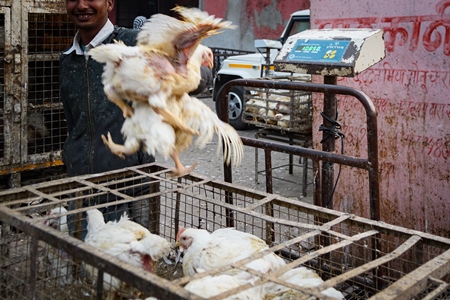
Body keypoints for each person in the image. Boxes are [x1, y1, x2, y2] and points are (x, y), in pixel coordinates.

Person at [60, 0, 212, 239]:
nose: (82, 5)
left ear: (109, 2)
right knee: (84, 261)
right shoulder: (68, 60)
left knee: (133, 263)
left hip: (130, 182)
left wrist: (186, 70)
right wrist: (71, 155)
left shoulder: (134, 42)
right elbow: (72, 120)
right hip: (81, 183)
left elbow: (200, 76)